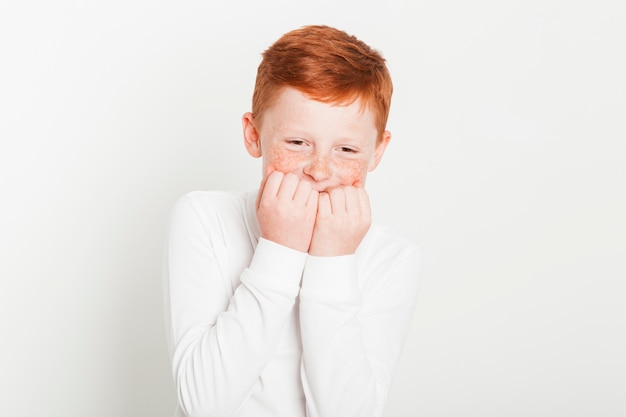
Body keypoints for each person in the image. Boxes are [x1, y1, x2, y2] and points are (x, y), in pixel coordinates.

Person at [163, 25, 421, 417]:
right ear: (254, 135)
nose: (319, 170)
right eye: (297, 143)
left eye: (347, 149)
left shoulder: (392, 257)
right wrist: (280, 247)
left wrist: (333, 261)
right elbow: (204, 406)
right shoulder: (203, 218)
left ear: (377, 152)